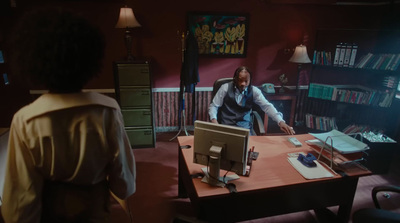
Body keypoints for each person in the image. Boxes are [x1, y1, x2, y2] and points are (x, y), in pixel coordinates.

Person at [1, 7, 136, 223]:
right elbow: (124, 184)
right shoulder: (108, 110)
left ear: (33, 62)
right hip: (96, 211)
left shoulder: (25, 120)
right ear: (89, 59)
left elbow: (21, 202)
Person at [209, 66, 295, 135]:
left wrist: (280, 122)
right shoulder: (225, 88)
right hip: (226, 128)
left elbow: (267, 106)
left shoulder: (254, 91)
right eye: (240, 80)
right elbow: (214, 106)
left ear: (250, 81)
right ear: (235, 79)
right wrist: (214, 121)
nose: (243, 84)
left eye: (246, 81)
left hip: (244, 129)